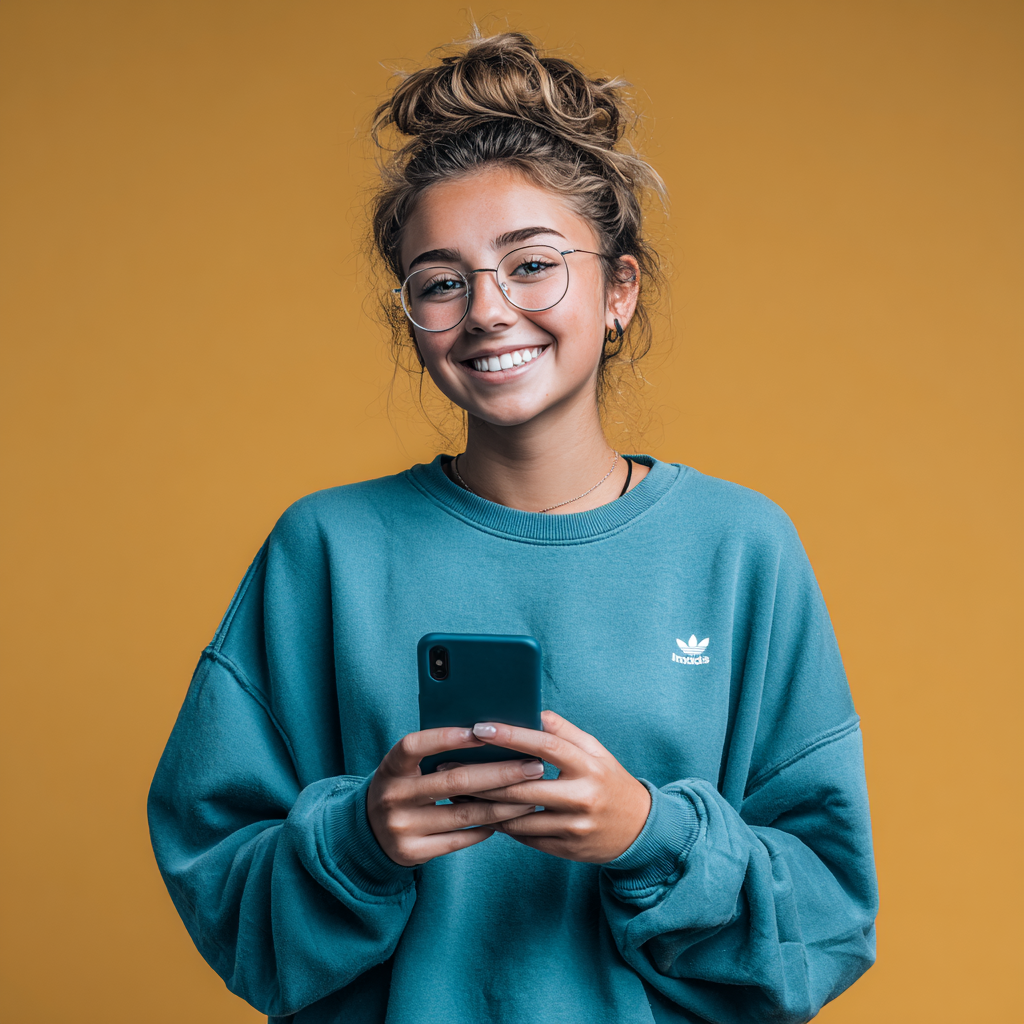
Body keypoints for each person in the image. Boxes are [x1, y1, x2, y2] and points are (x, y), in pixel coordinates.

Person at [148, 31, 878, 1024]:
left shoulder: (741, 549)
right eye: (441, 282)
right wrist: (360, 838)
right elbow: (220, 885)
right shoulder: (323, 552)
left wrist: (648, 833)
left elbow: (829, 918)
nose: (488, 310)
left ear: (618, 290)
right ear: (411, 314)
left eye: (531, 264)